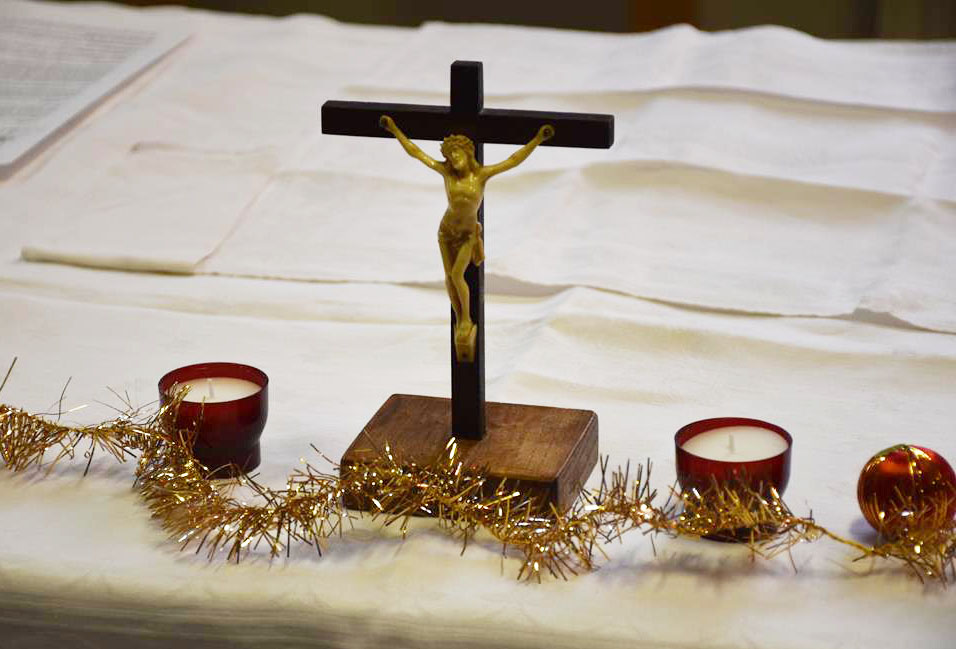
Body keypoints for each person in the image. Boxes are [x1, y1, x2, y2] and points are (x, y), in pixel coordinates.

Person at [379, 115, 554, 362]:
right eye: (450, 156)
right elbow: (416, 153)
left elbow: (513, 160)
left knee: (457, 275)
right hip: (446, 231)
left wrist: (537, 139)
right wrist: (395, 129)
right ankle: (459, 318)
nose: (454, 159)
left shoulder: (481, 175)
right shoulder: (446, 173)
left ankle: (465, 318)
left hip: (468, 234)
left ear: (467, 152)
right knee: (449, 278)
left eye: (457, 154)